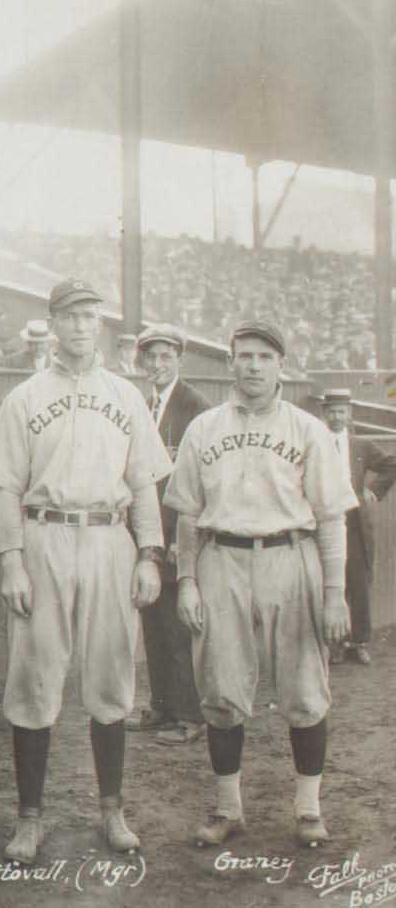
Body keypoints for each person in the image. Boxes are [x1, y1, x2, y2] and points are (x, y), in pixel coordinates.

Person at [0, 281, 165, 863]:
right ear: (53, 321)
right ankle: (29, 819)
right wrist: (11, 560)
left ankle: (112, 810)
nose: (83, 326)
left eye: (91, 316)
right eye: (72, 316)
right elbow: (6, 487)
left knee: (111, 679)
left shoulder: (125, 395)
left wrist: (151, 553)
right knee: (35, 680)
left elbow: (144, 483)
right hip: (45, 536)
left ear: (100, 325)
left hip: (111, 537)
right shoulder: (25, 397)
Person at [164, 322, 355, 848]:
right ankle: (229, 808)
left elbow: (332, 517)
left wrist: (335, 592)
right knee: (222, 690)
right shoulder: (204, 427)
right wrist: (185, 581)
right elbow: (185, 517)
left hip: (291, 557)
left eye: (263, 357)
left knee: (304, 690)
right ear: (230, 363)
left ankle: (308, 809)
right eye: (243, 356)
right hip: (220, 558)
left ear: (280, 365)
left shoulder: (307, 429)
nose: (252, 365)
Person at [134, 324, 212, 745]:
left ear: (179, 359)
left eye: (166, 357)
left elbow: (200, 478)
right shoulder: (145, 405)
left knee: (179, 629)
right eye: (151, 357)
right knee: (154, 623)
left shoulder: (195, 406)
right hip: (150, 534)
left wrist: (187, 537)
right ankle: (163, 707)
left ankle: (190, 715)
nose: (157, 365)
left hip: (179, 531)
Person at [317, 388, 387, 666]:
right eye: (332, 411)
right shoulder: (315, 441)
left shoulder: (361, 445)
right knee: (329, 583)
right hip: (322, 521)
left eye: (342, 411)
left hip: (354, 523)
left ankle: (358, 642)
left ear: (349, 414)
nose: (337, 416)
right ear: (324, 414)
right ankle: (333, 642)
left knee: (357, 583)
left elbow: (391, 464)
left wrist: (373, 490)